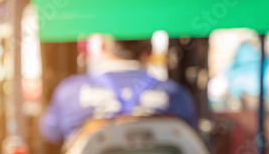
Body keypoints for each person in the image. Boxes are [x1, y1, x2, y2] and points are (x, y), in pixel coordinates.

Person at [39, 36, 197, 145]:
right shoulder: (176, 94)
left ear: (101, 47)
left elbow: (50, 134)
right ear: (150, 50)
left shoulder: (68, 91)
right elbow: (194, 139)